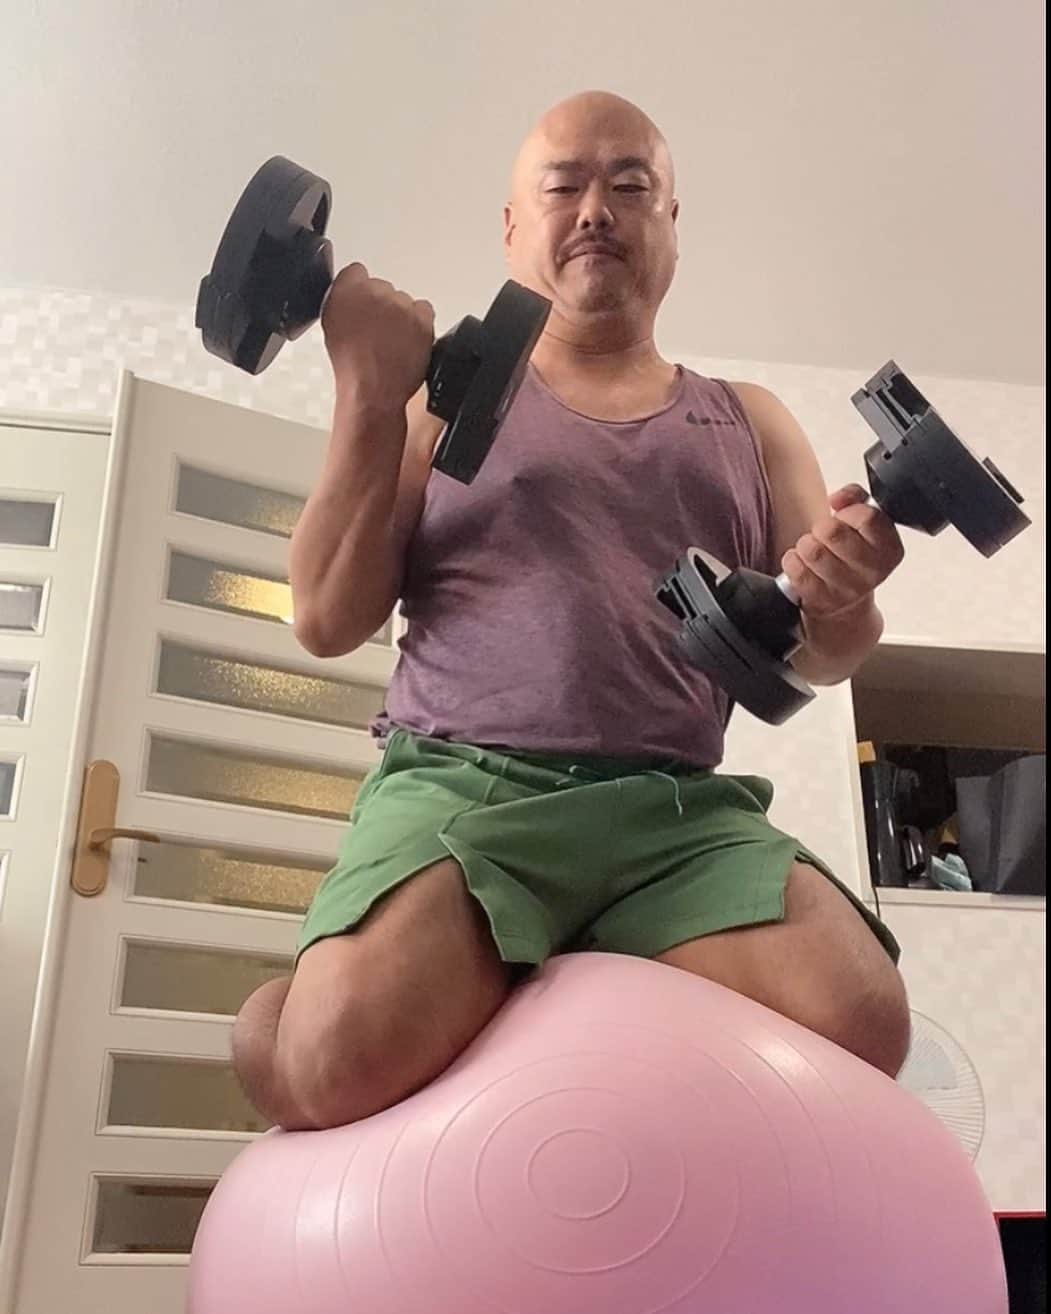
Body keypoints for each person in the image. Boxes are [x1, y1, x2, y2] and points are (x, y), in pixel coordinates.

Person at [232, 91, 911, 1132]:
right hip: (466, 795)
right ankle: (332, 1001)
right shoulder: (433, 402)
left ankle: (531, 958)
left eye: (630, 186)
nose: (596, 209)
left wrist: (846, 591)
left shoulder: (748, 420)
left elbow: (825, 653)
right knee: (322, 1062)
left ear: (671, 224)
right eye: (564, 187)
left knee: (862, 1019)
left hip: (671, 815)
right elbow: (325, 617)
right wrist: (368, 396)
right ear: (514, 228)